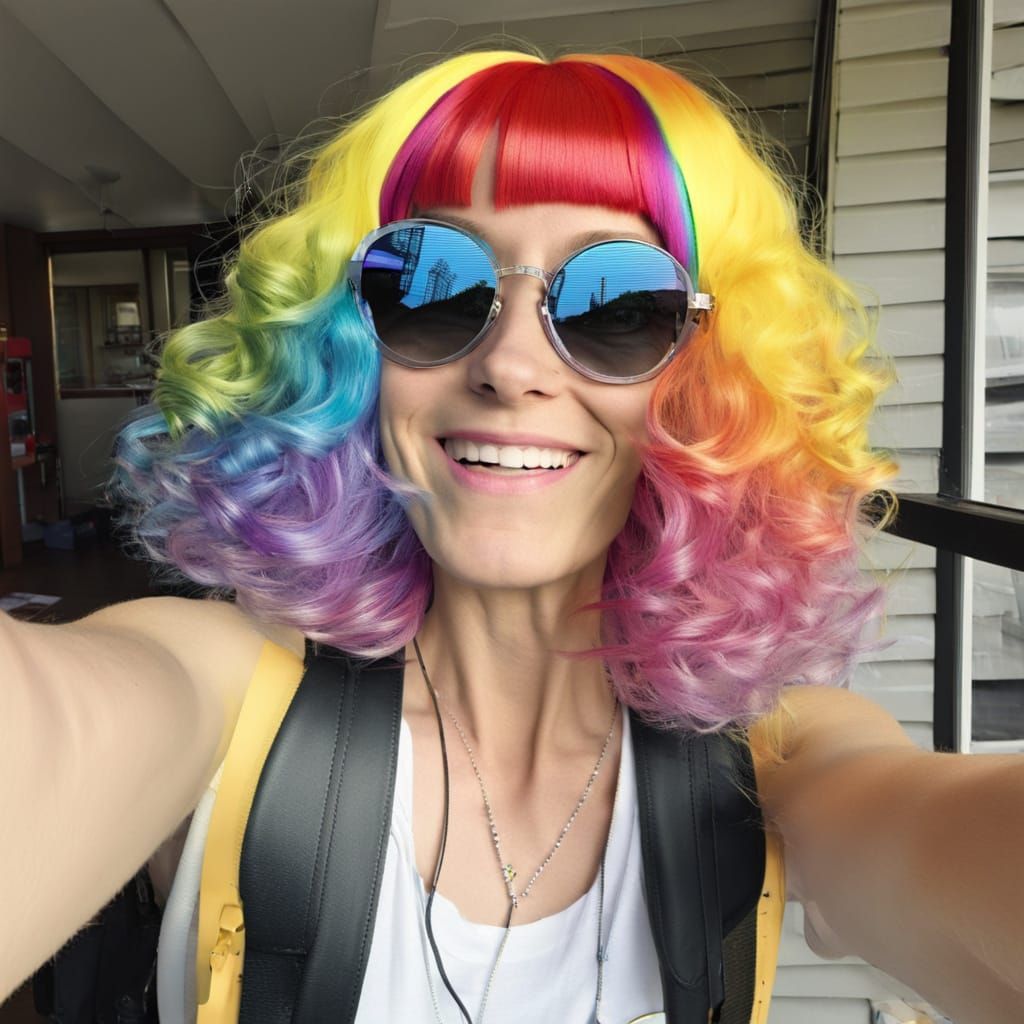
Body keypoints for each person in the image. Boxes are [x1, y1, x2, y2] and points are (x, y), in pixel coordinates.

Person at [1, 48, 1022, 1024]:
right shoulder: (224, 686)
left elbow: (936, 839)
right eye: (427, 283)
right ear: (348, 352)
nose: (511, 365)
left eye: (619, 304)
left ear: (708, 380)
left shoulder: (784, 749)